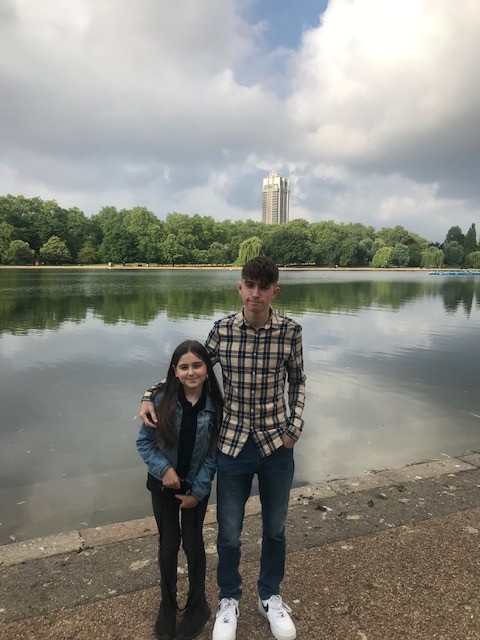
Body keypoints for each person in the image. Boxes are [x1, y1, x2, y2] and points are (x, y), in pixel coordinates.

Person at [140, 256, 306, 640]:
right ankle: (229, 599)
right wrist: (151, 394)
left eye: (263, 287)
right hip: (232, 445)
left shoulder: (290, 332)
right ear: (240, 288)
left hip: (276, 445)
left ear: (275, 292)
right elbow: (190, 369)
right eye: (250, 285)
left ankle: (269, 596)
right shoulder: (222, 330)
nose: (255, 293)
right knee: (229, 532)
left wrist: (294, 428)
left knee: (275, 529)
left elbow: (297, 381)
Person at [137, 339, 223, 640]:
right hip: (162, 486)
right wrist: (165, 470)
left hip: (195, 488)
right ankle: (168, 603)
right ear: (175, 371)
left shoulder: (216, 407)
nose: (191, 372)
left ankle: (198, 603)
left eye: (197, 365)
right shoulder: (161, 402)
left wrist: (197, 491)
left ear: (207, 368)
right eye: (184, 367)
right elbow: (144, 443)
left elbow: (212, 455)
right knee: (168, 543)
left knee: (193, 542)